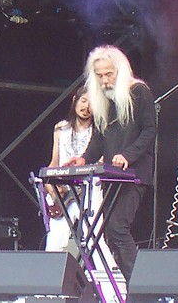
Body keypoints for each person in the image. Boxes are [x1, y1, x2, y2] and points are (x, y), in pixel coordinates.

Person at [64, 45, 156, 283]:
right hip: (111, 175)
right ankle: (128, 286)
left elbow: (149, 131)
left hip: (134, 173)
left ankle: (140, 288)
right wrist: (84, 159)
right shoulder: (102, 100)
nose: (104, 80)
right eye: (100, 76)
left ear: (120, 70)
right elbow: (99, 139)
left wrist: (128, 155)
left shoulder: (139, 92)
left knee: (117, 228)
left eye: (109, 74)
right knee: (108, 234)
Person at [44, 87, 116, 269]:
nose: (87, 106)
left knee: (94, 238)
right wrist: (51, 189)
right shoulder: (61, 128)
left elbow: (100, 162)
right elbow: (55, 162)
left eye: (92, 103)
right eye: (83, 101)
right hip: (63, 192)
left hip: (89, 188)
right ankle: (47, 291)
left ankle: (112, 288)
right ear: (75, 100)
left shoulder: (99, 131)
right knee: (55, 242)